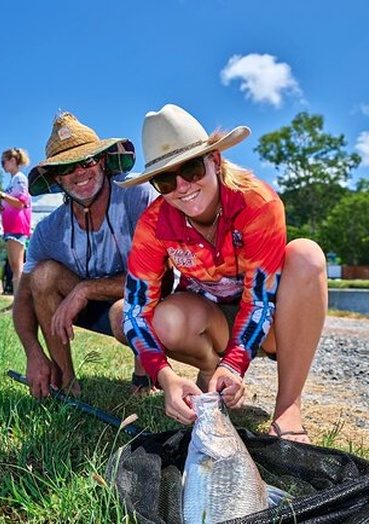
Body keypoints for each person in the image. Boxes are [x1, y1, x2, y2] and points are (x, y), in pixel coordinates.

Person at [118, 104, 327, 443]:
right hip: (208, 318)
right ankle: (210, 370)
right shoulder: (153, 224)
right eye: (166, 180)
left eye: (191, 168)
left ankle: (288, 407)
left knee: (307, 255)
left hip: (269, 322)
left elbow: (260, 298)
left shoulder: (256, 201)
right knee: (163, 320)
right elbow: (135, 310)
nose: (182, 187)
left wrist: (236, 363)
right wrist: (165, 376)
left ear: (214, 161)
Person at [14, 111, 158, 398]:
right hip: (86, 308)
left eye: (87, 161)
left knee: (125, 312)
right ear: (56, 177)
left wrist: (86, 288)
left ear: (102, 162)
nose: (80, 172)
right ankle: (67, 384)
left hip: (142, 302)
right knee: (42, 277)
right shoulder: (48, 231)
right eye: (67, 167)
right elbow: (23, 299)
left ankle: (145, 376)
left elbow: (158, 278)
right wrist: (33, 353)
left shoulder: (138, 195)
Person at [0, 148, 32, 298]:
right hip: (10, 228)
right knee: (14, 268)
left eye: (3, 162)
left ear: (12, 161)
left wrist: (1, 195)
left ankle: (19, 304)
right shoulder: (12, 181)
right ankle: (17, 302)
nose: (2, 165)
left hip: (18, 228)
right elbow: (11, 206)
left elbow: (20, 204)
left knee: (17, 268)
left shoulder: (20, 178)